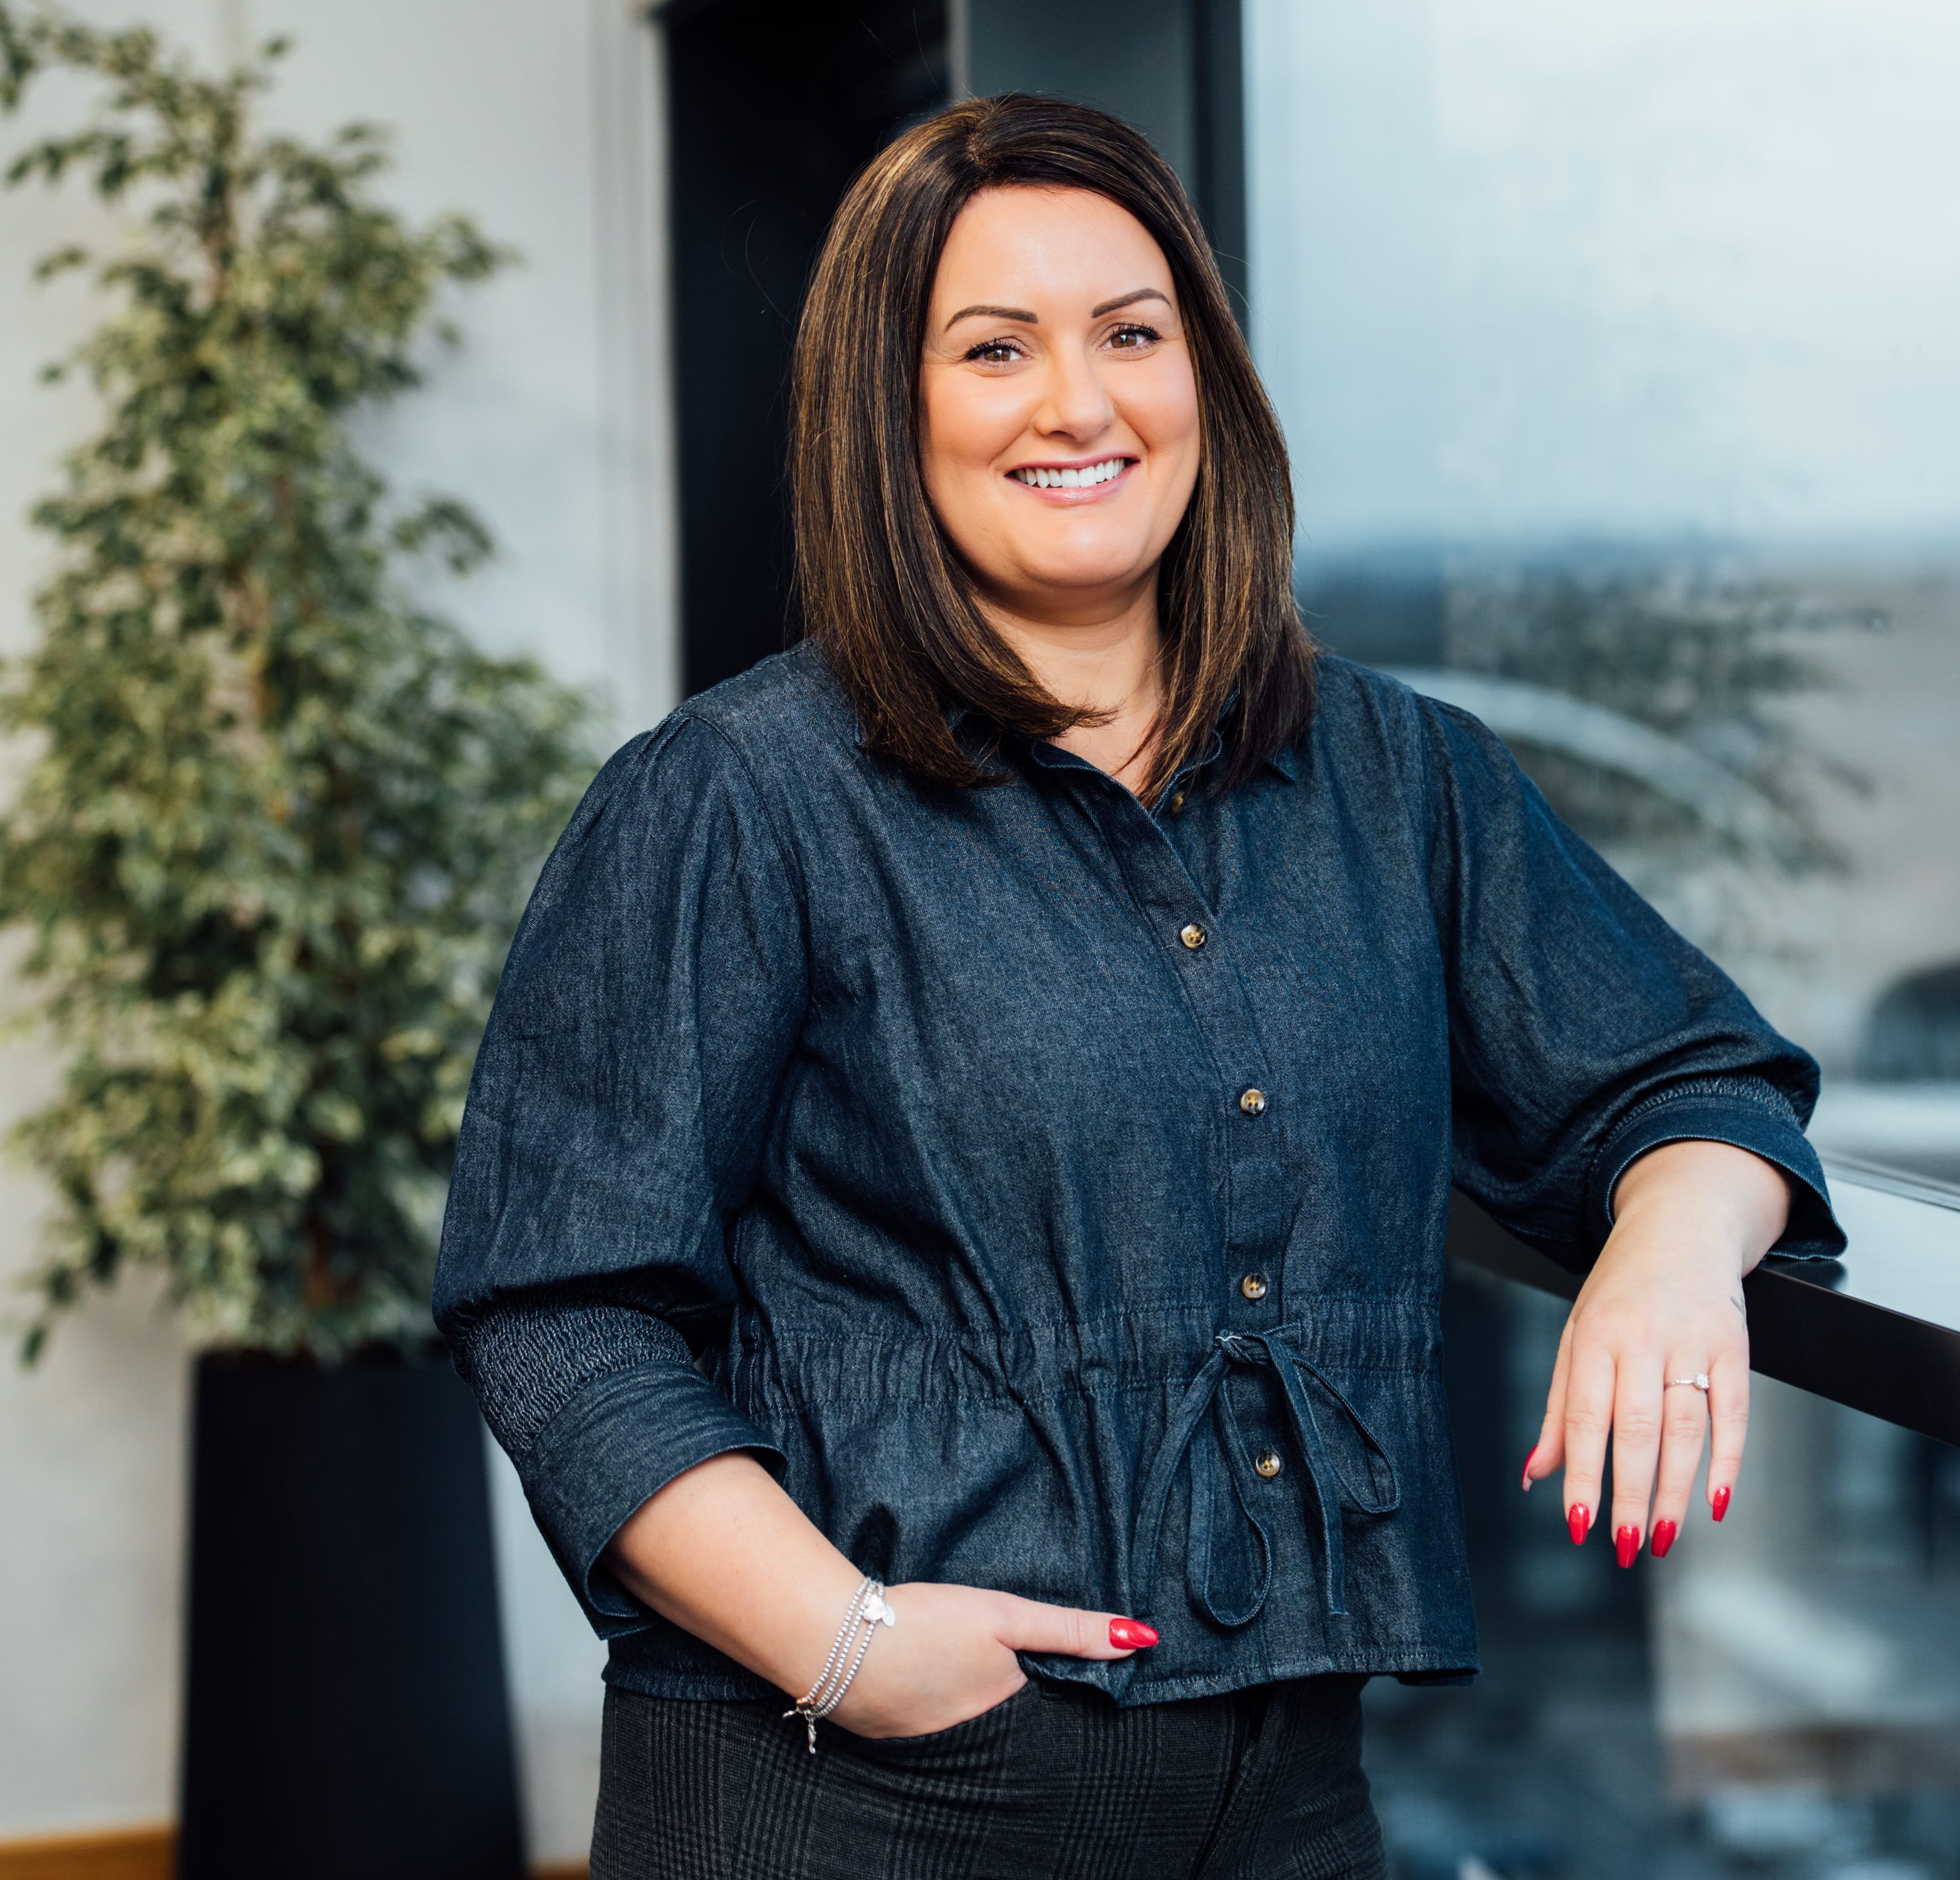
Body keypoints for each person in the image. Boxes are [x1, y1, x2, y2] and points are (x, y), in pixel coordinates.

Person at [434, 93, 1842, 1879]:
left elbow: (1691, 1081)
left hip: (1293, 1793)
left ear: (1207, 383)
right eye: (994, 348)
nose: (1078, 404)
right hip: (862, 1796)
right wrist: (851, 1649)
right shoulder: (733, 797)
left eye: (1131, 334)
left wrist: (1666, 1248)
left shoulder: (1401, 780)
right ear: (895, 414)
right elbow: (562, 1304)